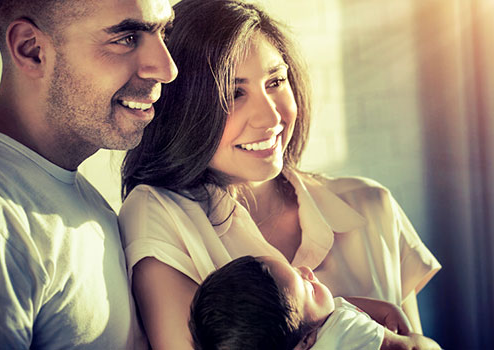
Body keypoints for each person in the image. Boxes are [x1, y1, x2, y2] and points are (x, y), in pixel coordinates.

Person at [119, 0, 441, 348]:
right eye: (234, 93)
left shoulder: (371, 206)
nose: (271, 118)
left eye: (276, 81)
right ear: (182, 108)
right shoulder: (158, 215)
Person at [0, 0, 177, 348]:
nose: (166, 68)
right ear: (32, 50)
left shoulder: (75, 192)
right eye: (127, 38)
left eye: (163, 32)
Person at [189, 255, 442, 350]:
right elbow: (410, 348)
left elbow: (337, 304)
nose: (307, 269)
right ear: (306, 341)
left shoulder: (315, 332)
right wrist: (418, 341)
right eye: (307, 287)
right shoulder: (344, 332)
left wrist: (387, 309)